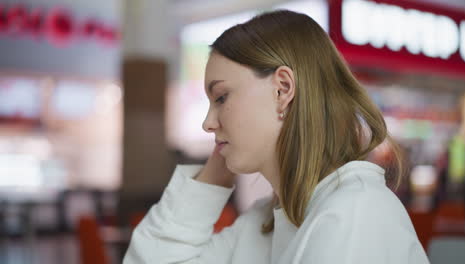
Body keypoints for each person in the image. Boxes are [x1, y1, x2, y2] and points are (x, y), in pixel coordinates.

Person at [123, 10, 429, 263]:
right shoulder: (266, 223)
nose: (207, 123)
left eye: (221, 97)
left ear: (282, 89)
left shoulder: (355, 214)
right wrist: (220, 163)